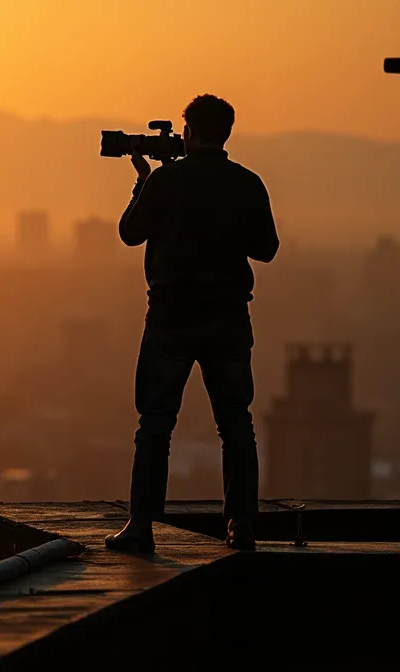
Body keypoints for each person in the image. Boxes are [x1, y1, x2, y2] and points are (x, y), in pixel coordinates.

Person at [104, 94, 280, 554]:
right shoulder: (247, 183)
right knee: (236, 424)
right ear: (225, 133)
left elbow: (129, 232)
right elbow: (267, 249)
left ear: (189, 132)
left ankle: (141, 527)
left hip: (170, 318)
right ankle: (241, 526)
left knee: (155, 425)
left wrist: (144, 184)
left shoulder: (166, 181)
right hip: (227, 317)